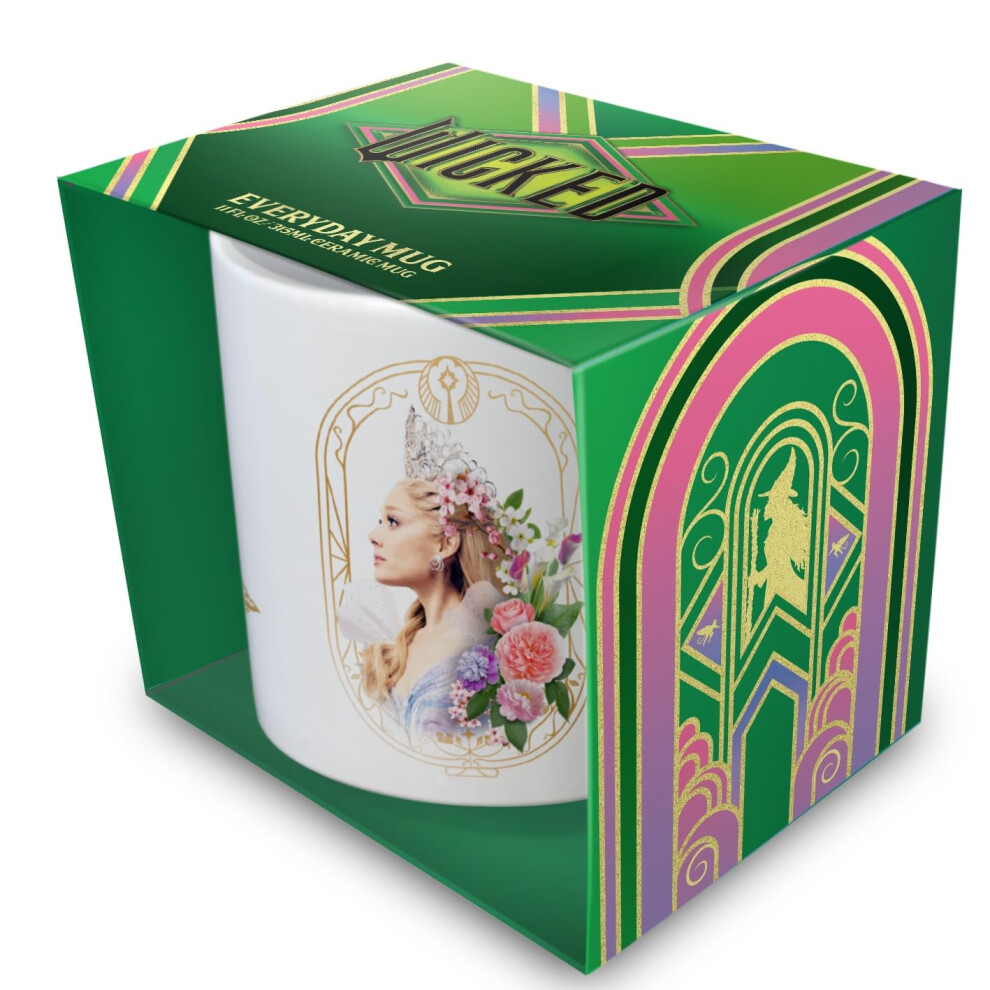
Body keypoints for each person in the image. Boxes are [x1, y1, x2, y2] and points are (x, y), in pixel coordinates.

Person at [337, 410, 508, 742]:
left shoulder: (484, 644)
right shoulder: (404, 641)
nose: (373, 535)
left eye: (393, 521)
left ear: (445, 544)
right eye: (381, 521)